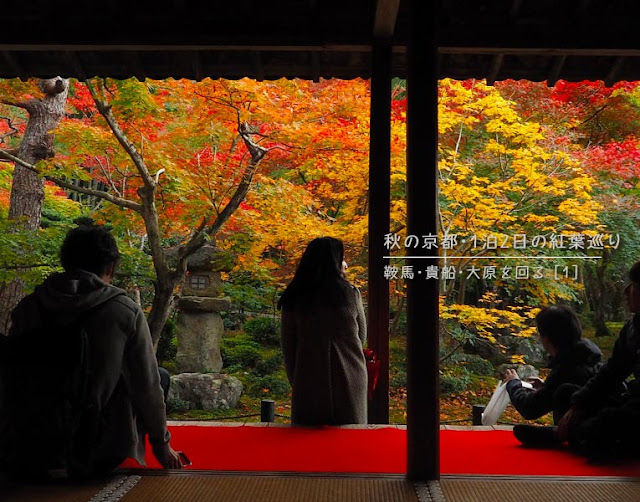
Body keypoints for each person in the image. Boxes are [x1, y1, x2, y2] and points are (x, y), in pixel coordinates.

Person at [2, 224, 182, 475]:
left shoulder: (29, 306)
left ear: (65, 261)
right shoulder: (123, 309)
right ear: (109, 266)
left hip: (30, 441)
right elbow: (147, 385)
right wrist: (162, 446)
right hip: (96, 447)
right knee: (158, 375)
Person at [517, 261, 640, 460]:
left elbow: (531, 407)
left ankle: (561, 435)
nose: (626, 292)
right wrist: (579, 404)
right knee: (567, 393)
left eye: (633, 286)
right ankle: (570, 433)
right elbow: (612, 372)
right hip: (628, 396)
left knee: (610, 422)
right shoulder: (633, 328)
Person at [278, 237, 368, 425]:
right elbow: (362, 335)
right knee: (349, 437)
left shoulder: (294, 296)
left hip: (308, 375)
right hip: (350, 374)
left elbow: (288, 343)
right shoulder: (349, 293)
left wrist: (295, 379)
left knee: (307, 440)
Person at [504, 305, 603, 428]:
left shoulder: (565, 369)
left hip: (583, 435)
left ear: (546, 338)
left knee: (521, 431)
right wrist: (546, 387)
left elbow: (529, 408)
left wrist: (513, 384)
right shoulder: (588, 359)